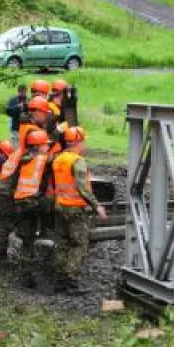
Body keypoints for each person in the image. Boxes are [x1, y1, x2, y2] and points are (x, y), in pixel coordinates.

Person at [50, 126, 107, 294]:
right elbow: (83, 188)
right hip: (75, 208)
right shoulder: (77, 161)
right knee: (79, 244)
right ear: (78, 141)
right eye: (83, 141)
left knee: (62, 243)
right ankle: (70, 281)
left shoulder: (59, 159)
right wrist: (97, 206)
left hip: (60, 206)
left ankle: (59, 281)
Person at [0, 130, 53, 287]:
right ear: (39, 146)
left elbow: (14, 183)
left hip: (20, 202)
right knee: (26, 237)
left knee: (23, 234)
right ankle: (25, 272)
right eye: (46, 145)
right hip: (29, 204)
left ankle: (21, 269)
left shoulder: (24, 158)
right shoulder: (42, 160)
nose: (48, 148)